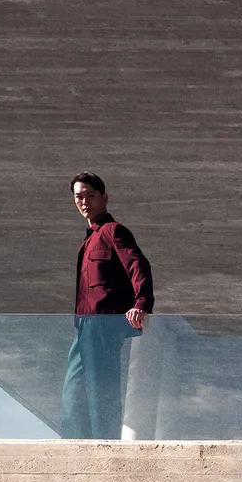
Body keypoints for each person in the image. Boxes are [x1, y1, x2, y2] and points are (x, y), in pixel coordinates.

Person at [62, 172, 153, 439]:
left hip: (103, 325)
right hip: (83, 327)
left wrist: (141, 304)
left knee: (101, 391)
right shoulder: (89, 238)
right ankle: (75, 445)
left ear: (104, 197)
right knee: (72, 394)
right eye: (79, 197)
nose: (85, 202)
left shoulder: (114, 231)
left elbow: (138, 265)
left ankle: (105, 445)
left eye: (91, 196)